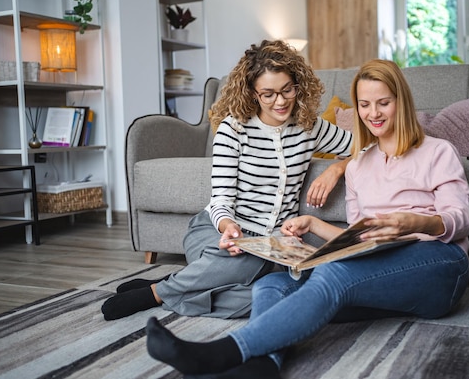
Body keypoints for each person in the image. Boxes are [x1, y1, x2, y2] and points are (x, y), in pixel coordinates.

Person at [144, 59, 469, 379]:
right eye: (365, 104)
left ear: (402, 101)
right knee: (273, 283)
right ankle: (265, 365)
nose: (373, 114)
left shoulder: (437, 151)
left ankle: (219, 353)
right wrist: (312, 223)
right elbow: (358, 237)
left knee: (333, 273)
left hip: (440, 265)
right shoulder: (358, 166)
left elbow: (460, 218)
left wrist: (415, 223)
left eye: (383, 103)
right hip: (384, 271)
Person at [101, 40, 352, 321]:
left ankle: (176, 285)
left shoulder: (310, 126)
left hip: (275, 248)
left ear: (298, 84)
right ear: (253, 93)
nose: (280, 101)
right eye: (268, 94)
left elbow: (367, 148)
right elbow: (220, 199)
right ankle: (156, 294)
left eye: (287, 90)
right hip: (217, 237)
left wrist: (337, 168)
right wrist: (228, 225)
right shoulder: (234, 129)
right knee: (245, 261)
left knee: (271, 292)